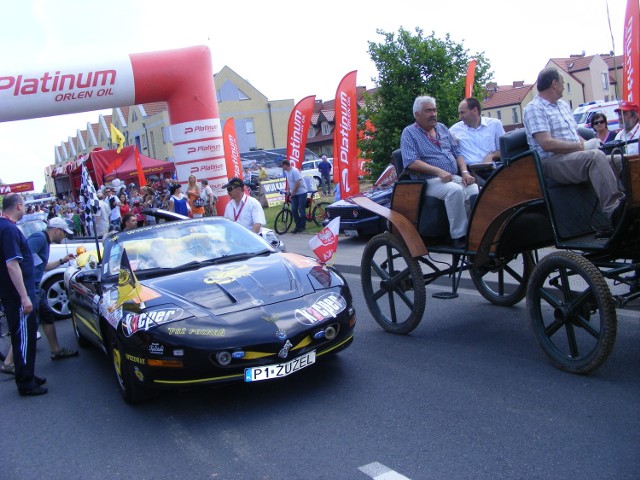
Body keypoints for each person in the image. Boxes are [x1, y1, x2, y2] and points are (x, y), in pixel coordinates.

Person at [523, 67, 624, 229]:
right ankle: (615, 211)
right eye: (563, 82)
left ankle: (633, 203)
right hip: (551, 162)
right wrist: (583, 146)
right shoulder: (534, 109)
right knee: (595, 157)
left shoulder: (563, 105)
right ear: (554, 84)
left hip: (573, 158)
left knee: (619, 160)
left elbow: (573, 134)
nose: (564, 86)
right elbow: (546, 143)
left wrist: (591, 143)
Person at [400, 95, 478, 249]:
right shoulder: (409, 133)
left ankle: (475, 231)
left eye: (434, 110)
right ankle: (458, 236)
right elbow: (411, 162)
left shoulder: (442, 128)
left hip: (452, 176)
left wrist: (465, 172)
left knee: (474, 189)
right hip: (426, 181)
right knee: (454, 191)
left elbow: (457, 153)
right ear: (417, 115)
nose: (433, 114)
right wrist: (438, 171)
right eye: (428, 111)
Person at [0, 193, 47, 396]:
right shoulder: (8, 229)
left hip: (13, 293)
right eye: (24, 205)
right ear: (18, 206)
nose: (25, 208)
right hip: (17, 294)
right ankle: (26, 382)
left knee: (23, 338)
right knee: (24, 338)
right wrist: (24, 296)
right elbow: (12, 264)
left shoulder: (5, 226)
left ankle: (26, 372)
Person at [27, 217, 79, 361]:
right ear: (56, 230)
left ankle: (56, 350)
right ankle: (11, 362)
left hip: (35, 287)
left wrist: (62, 260)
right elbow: (24, 259)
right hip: (29, 287)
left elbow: (43, 266)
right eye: (64, 233)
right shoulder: (39, 239)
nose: (65, 236)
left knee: (47, 317)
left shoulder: (44, 241)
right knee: (27, 325)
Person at [449, 97, 505, 165]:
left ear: (475, 110)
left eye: (462, 113)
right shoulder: (454, 130)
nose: (460, 117)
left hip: (492, 170)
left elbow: (504, 150)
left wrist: (492, 155)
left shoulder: (495, 124)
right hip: (468, 172)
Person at [281, 159, 308, 233]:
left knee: (301, 209)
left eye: (282, 165)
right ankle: (297, 225)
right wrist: (289, 190)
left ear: (286, 165)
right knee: (293, 209)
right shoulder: (287, 172)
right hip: (294, 193)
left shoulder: (294, 171)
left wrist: (294, 191)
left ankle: (302, 226)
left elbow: (298, 182)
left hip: (301, 193)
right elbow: (290, 182)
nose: (282, 167)